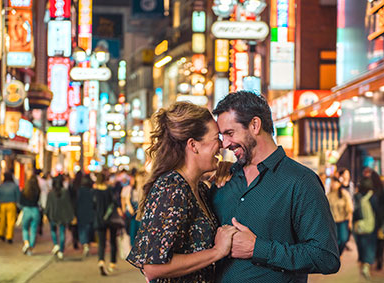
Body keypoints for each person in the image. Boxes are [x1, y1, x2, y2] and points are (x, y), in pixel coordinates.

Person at [210, 91, 340, 282]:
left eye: (230, 133)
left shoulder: (301, 181)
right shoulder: (223, 178)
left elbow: (326, 257)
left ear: (255, 125)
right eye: (222, 136)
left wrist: (258, 249)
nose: (225, 144)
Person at [127, 102, 238, 282]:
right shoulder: (172, 188)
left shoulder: (198, 188)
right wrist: (217, 252)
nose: (222, 144)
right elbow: (153, 267)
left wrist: (230, 171)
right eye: (215, 137)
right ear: (193, 145)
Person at [93, 173, 122, 275]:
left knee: (102, 243)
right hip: (110, 219)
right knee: (113, 241)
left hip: (99, 219)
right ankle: (112, 263)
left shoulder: (95, 192)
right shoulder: (109, 190)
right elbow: (114, 202)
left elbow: (93, 206)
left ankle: (101, 261)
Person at [353, 177, 378, 279]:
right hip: (372, 226)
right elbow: (377, 211)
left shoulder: (357, 196)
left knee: (362, 245)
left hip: (360, 225)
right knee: (370, 245)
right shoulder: (373, 197)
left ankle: (363, 262)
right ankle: (367, 264)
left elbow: (355, 211)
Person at [45, 175, 74, 260]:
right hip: (62, 216)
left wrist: (46, 214)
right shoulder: (65, 192)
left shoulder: (51, 193)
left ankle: (55, 244)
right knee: (62, 232)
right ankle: (61, 250)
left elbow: (48, 205)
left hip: (53, 215)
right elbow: (68, 204)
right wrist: (71, 216)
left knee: (53, 230)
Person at [327, 177, 353, 255]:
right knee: (335, 241)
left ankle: (339, 253)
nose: (333, 184)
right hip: (332, 222)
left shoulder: (344, 194)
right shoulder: (329, 195)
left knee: (343, 239)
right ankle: (336, 255)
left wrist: (350, 221)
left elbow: (349, 208)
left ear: (339, 183)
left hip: (343, 221)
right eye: (332, 183)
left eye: (335, 182)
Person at [0, 172, 21, 244]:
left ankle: (1, 233)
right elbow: (18, 196)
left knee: (2, 220)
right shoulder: (14, 186)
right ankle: (9, 236)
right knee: (11, 221)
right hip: (11, 204)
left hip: (2, 205)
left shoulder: (1, 186)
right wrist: (19, 206)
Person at [20, 174, 41, 255]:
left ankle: (26, 243)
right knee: (33, 230)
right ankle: (31, 249)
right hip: (35, 210)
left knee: (25, 228)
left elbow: (21, 202)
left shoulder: (24, 190)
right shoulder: (37, 190)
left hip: (26, 210)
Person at [69, 171, 82, 250]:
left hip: (73, 208)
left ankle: (75, 240)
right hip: (81, 208)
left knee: (74, 225)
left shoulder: (72, 185)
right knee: (80, 225)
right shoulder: (82, 186)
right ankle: (80, 240)